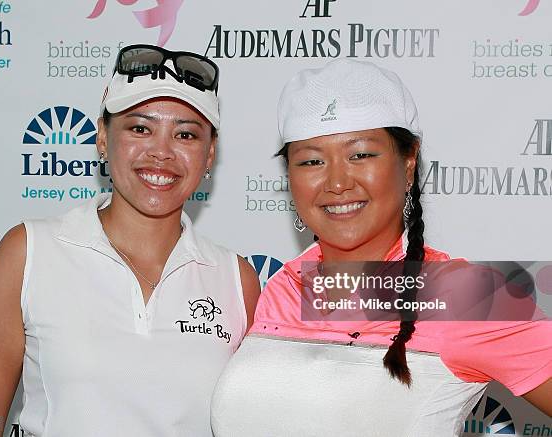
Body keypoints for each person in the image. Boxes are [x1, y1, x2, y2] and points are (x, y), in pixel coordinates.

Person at [211, 59, 551, 436]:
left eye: (361, 154)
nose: (337, 181)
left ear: (409, 162)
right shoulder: (281, 288)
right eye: (311, 160)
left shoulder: (463, 294)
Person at [0, 44, 259, 437]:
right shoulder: (28, 252)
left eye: (185, 134)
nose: (161, 152)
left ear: (209, 155)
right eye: (140, 128)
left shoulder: (236, 280)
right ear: (102, 137)